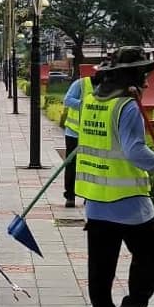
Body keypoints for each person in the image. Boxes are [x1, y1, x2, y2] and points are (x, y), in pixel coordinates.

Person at [75, 47, 154, 307]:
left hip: (96, 201)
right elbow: (135, 153)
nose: (147, 82)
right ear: (130, 77)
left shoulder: (91, 102)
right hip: (130, 203)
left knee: (101, 265)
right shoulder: (127, 107)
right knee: (150, 257)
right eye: (142, 75)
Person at [60, 74, 89, 207]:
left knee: (91, 165)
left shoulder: (107, 88)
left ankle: (89, 196)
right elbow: (67, 100)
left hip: (91, 134)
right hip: (74, 132)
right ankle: (70, 195)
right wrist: (85, 105)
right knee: (72, 164)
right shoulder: (80, 84)